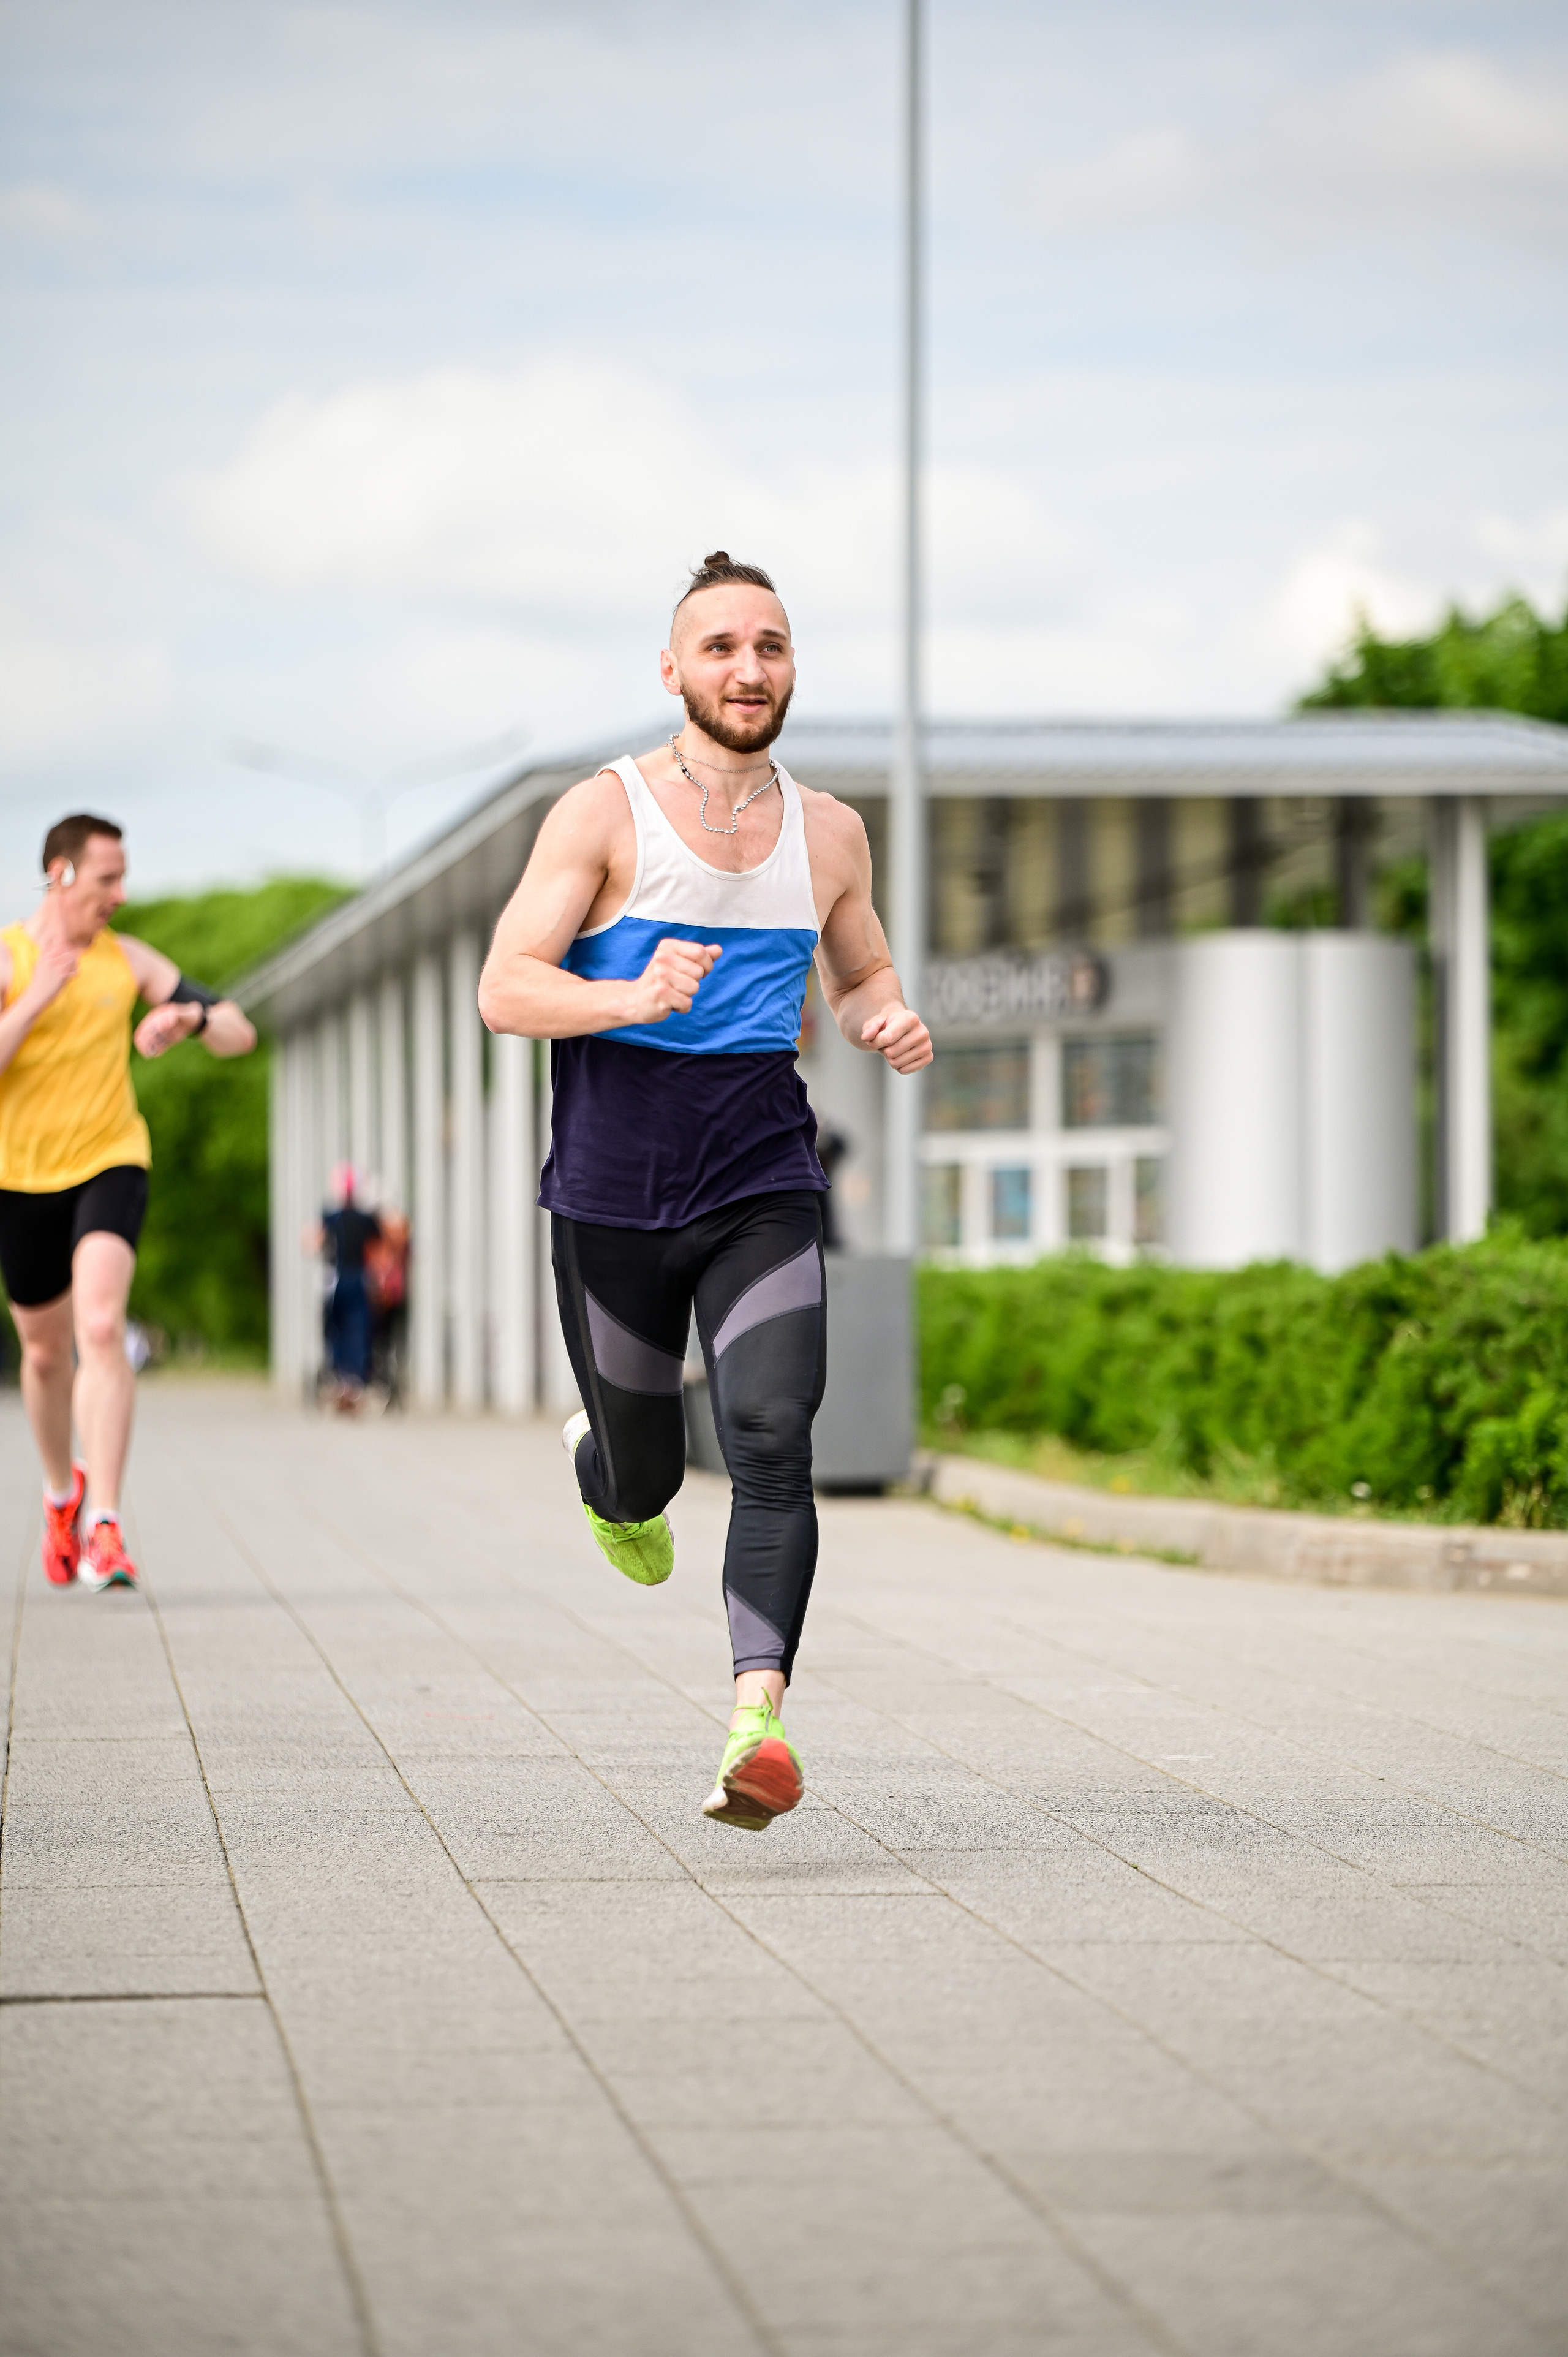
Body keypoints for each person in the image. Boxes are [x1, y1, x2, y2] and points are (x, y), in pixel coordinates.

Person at [478, 551, 932, 1830]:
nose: (748, 669)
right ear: (673, 669)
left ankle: (756, 1721)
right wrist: (624, 996)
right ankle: (606, 1471)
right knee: (646, 1478)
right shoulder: (601, 813)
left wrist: (883, 1016)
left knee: (772, 1440)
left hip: (759, 1184)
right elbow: (504, 986)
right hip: (613, 1195)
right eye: (721, 647)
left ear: (790, 669)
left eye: (771, 647)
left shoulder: (830, 830)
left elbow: (859, 978)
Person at [0, 814, 256, 1589]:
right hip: (21, 1177)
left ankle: (106, 1521)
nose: (121, 892)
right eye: (108, 877)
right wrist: (37, 995)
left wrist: (193, 1017)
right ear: (62, 872)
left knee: (102, 1326)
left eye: (123, 876)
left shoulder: (129, 960)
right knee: (44, 1354)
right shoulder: (13, 956)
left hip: (111, 1159)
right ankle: (60, 1494)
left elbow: (240, 1031)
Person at [312, 1165, 382, 1411]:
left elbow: (313, 1243)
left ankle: (340, 1377)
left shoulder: (331, 1217)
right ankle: (355, 1380)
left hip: (338, 1279)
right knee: (359, 1330)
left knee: (336, 1329)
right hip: (360, 1280)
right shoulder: (367, 1219)